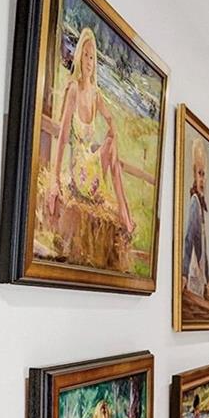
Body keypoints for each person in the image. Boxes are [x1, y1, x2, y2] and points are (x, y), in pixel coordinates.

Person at [40, 27, 135, 270]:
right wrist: (54, 180)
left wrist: (112, 132)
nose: (90, 62)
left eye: (93, 57)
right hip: (79, 171)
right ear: (79, 57)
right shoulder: (73, 89)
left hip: (91, 168)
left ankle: (123, 210)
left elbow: (111, 120)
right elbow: (63, 137)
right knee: (110, 148)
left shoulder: (96, 94)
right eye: (86, 56)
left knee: (111, 145)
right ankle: (124, 213)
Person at [182, 138, 209, 302]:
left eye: (204, 174)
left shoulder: (201, 205)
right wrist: (184, 273)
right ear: (194, 174)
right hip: (193, 275)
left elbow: (204, 248)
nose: (202, 180)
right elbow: (189, 239)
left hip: (200, 276)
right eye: (199, 174)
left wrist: (208, 278)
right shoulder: (194, 202)